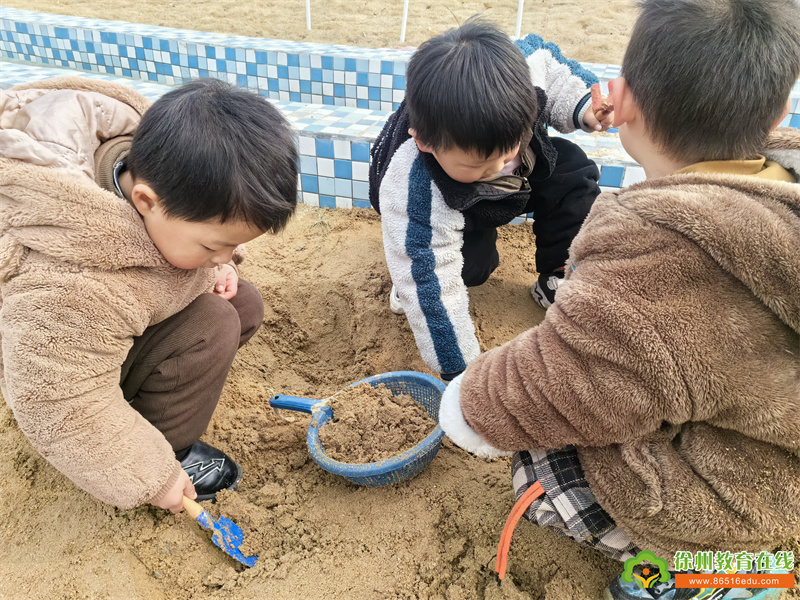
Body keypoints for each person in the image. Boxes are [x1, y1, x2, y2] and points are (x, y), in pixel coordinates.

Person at [438, 0, 800, 598]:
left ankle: (721, 575)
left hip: (741, 502)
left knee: (540, 464)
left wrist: (466, 404)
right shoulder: (781, 184)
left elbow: (567, 377)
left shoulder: (663, 256)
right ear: (781, 110)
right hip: (778, 455)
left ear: (624, 98)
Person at [0, 76, 298, 514]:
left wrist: (217, 264)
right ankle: (167, 447)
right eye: (213, 246)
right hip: (61, 366)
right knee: (213, 324)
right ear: (146, 200)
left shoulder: (154, 166)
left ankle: (151, 394)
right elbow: (58, 399)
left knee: (244, 303)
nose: (226, 255)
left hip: (109, 327)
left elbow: (192, 246)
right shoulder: (70, 277)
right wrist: (147, 474)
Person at [369, 17, 612, 381]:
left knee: (572, 170)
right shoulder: (413, 189)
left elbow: (554, 70)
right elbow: (432, 288)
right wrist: (463, 374)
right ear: (425, 142)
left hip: (508, 186)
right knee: (470, 268)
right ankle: (402, 290)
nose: (499, 167)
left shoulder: (522, 73)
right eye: (480, 164)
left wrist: (586, 109)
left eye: (508, 150)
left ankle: (557, 273)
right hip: (452, 204)